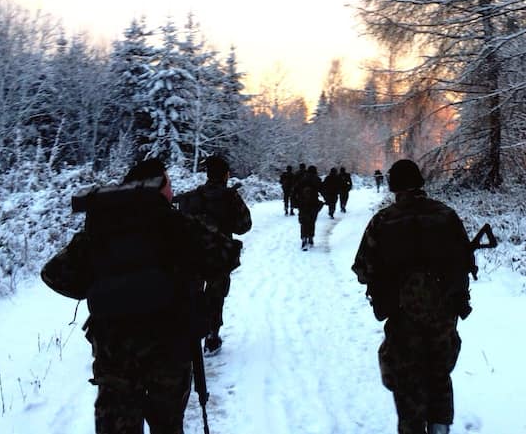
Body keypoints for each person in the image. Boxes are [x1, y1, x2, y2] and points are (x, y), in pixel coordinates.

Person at [41, 158, 242, 434]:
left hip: (114, 355)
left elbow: (54, 274)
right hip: (169, 352)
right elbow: (226, 255)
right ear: (157, 187)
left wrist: (101, 285)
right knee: (168, 426)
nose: (172, 190)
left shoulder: (100, 232)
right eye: (168, 183)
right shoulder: (177, 225)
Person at [352, 159, 474, 434]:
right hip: (443, 314)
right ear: (420, 183)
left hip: (402, 315)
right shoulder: (446, 216)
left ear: (394, 186)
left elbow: (362, 269)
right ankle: (440, 428)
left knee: (407, 380)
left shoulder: (383, 221)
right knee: (439, 374)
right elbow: (465, 261)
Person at [174, 155, 252, 354]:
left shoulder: (191, 197)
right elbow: (244, 226)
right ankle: (212, 336)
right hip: (220, 256)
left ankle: (191, 335)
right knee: (216, 296)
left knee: (193, 295)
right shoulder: (230, 197)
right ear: (226, 175)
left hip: (193, 255)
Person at [291, 165, 324, 250]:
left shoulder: (302, 179)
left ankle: (304, 238)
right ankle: (311, 237)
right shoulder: (316, 179)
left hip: (302, 203)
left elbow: (294, 191)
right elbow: (323, 190)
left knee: (303, 221)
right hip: (314, 203)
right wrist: (326, 200)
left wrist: (294, 203)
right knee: (312, 221)